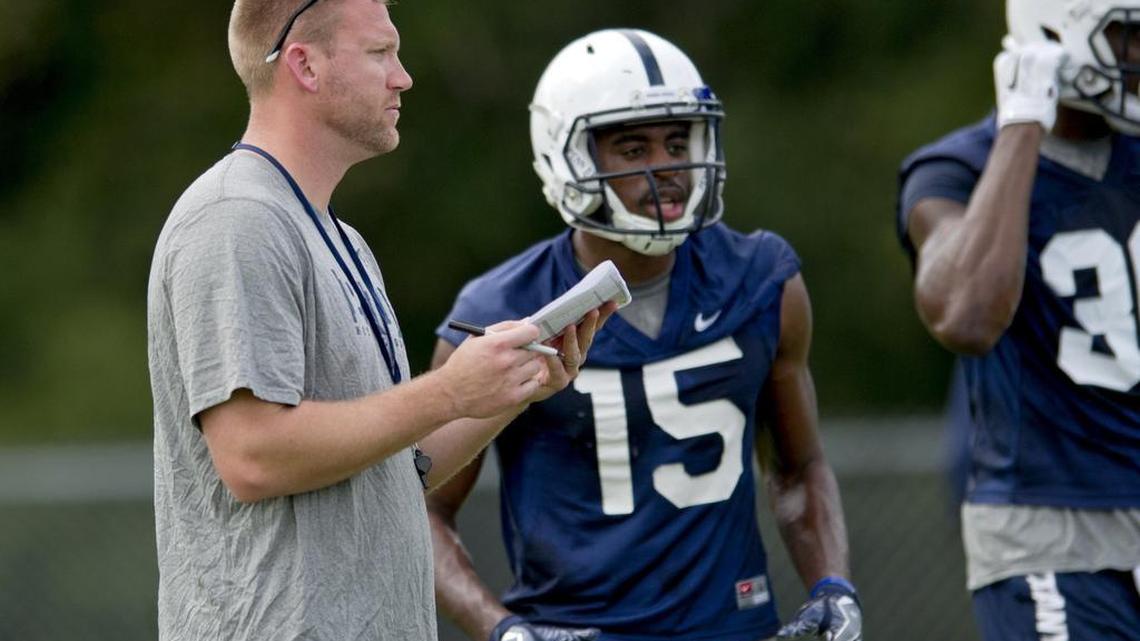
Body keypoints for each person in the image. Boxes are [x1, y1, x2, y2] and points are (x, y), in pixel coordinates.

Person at [146, 1, 613, 640]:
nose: (403, 77)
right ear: (305, 65)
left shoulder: (341, 239)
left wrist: (514, 385)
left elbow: (399, 463)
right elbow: (252, 455)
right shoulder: (236, 220)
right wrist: (448, 390)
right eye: (379, 53)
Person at [427, 29, 862, 641]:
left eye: (678, 141)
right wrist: (503, 629)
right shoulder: (504, 308)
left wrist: (833, 587)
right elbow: (419, 507)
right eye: (633, 149)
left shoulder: (762, 280)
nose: (669, 168)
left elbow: (798, 465)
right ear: (567, 156)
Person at [896, 1, 1140, 638]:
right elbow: (966, 316)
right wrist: (1023, 123)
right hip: (1050, 524)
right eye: (1130, 38)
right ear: (1056, 32)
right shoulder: (959, 167)